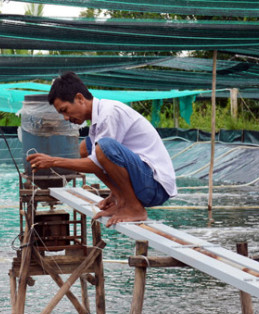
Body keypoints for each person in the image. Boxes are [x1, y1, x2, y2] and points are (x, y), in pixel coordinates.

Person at [26, 72, 177, 227]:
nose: (65, 118)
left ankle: (134, 208)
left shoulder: (109, 113)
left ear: (80, 98)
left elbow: (98, 161)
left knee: (102, 149)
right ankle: (121, 199)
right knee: (87, 148)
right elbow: (102, 159)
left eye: (65, 110)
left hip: (156, 186)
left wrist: (53, 161)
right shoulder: (96, 122)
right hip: (144, 182)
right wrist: (114, 194)